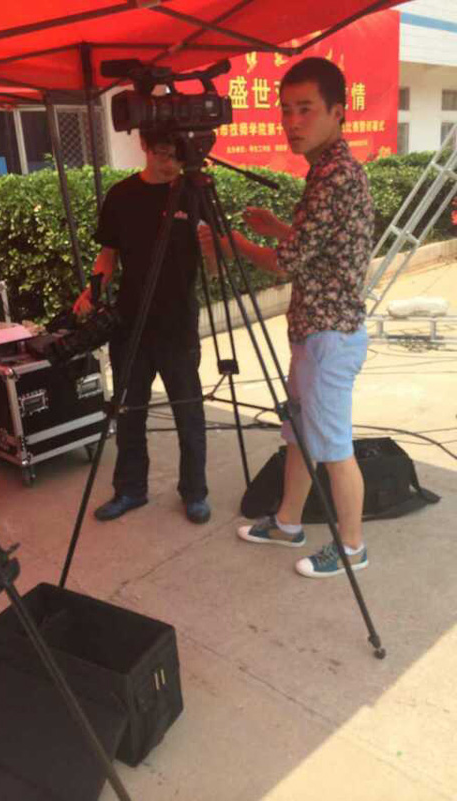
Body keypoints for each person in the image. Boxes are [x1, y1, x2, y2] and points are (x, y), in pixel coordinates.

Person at [199, 57, 374, 578]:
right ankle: (287, 522)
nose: (292, 122)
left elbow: (287, 263)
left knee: (334, 446)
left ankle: (353, 548)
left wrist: (233, 245)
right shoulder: (328, 170)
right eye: (286, 110)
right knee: (298, 433)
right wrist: (278, 225)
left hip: (329, 335)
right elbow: (321, 245)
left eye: (306, 109)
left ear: (337, 112)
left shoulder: (335, 176)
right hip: (314, 331)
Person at [74, 131, 210, 524]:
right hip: (131, 322)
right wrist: (92, 291)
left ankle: (195, 492)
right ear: (145, 148)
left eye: (176, 156)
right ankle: (130, 489)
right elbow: (108, 254)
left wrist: (215, 250)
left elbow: (213, 252)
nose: (170, 164)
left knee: (189, 412)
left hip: (178, 322)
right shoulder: (121, 196)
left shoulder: (192, 192)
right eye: (163, 154)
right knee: (130, 412)